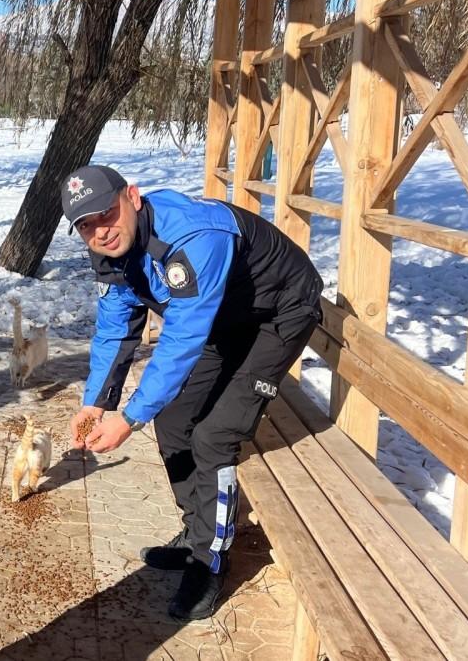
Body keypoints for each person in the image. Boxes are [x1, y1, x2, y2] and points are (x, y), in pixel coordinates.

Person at [63, 165, 323, 620]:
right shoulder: (112, 252)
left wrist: (128, 417)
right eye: (86, 225)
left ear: (133, 197)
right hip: (223, 318)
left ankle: (211, 561)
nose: (100, 232)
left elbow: (183, 338)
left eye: (106, 214)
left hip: (279, 314)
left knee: (215, 436)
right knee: (174, 419)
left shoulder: (192, 237)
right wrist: (97, 402)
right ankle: (196, 532)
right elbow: (115, 326)